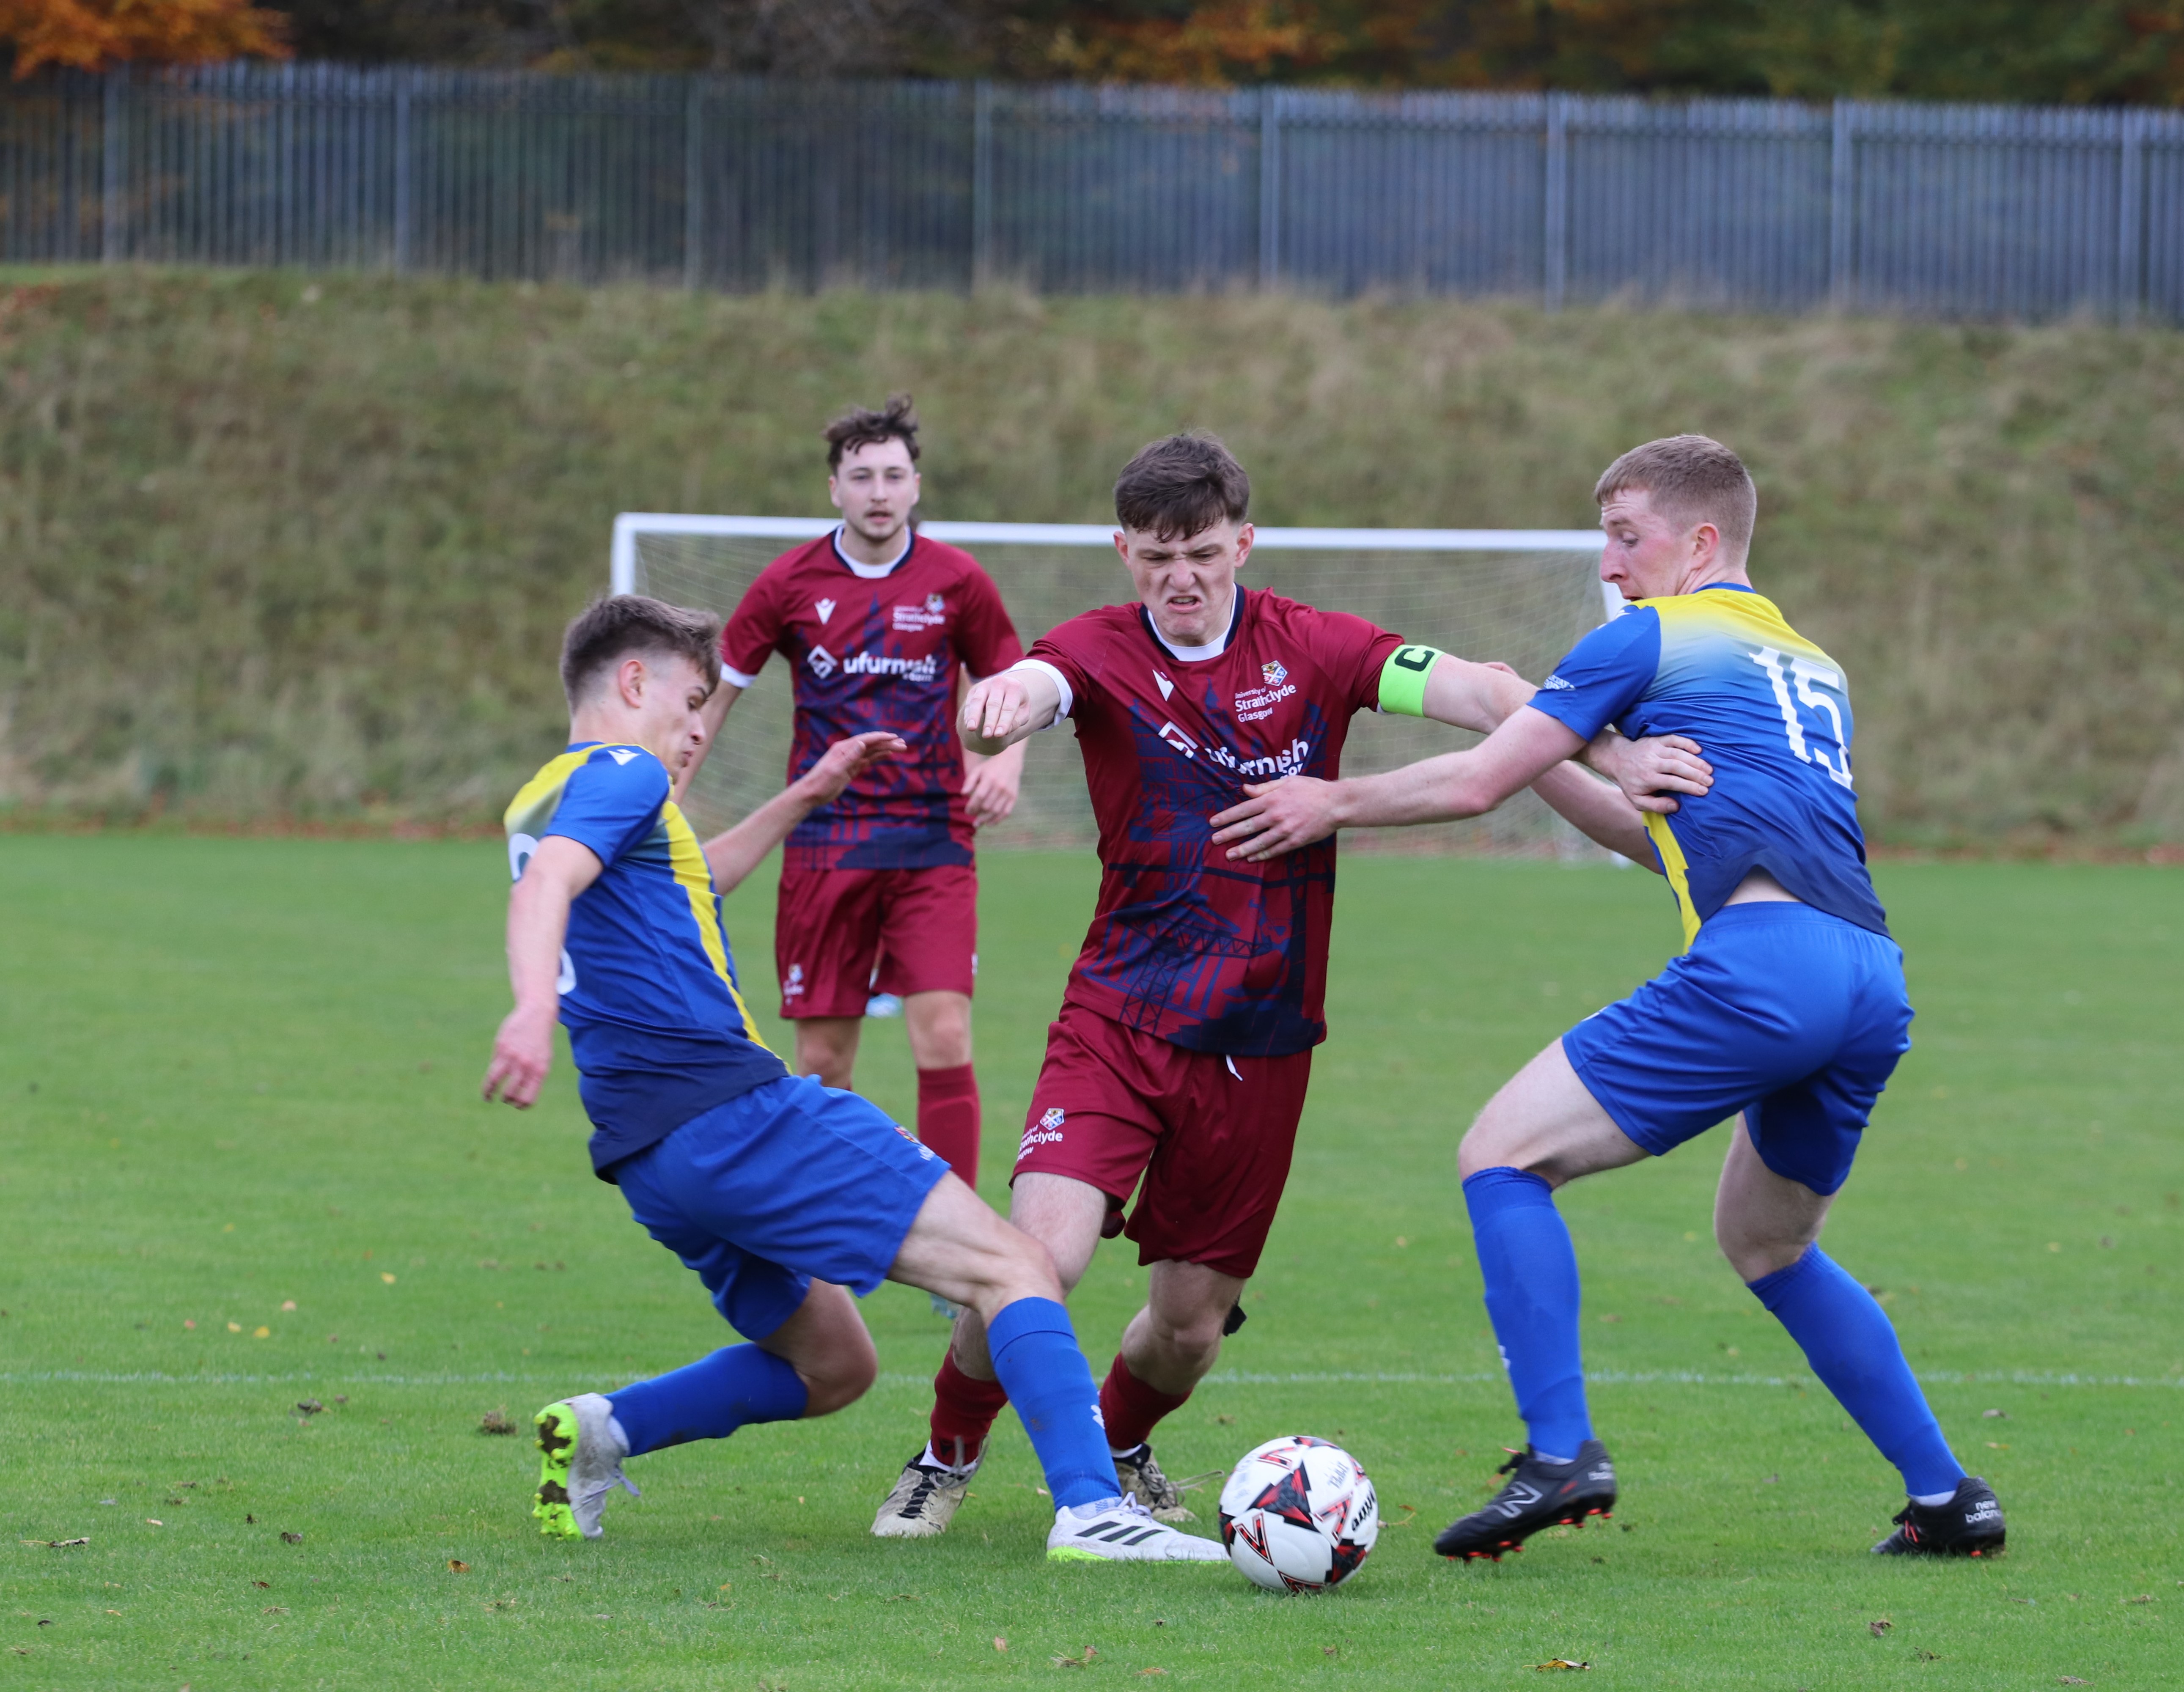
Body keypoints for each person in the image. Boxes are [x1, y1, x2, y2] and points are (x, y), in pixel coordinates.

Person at [865, 432, 1700, 1539]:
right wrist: (998, 706)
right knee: (1033, 1262)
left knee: (1187, 1328)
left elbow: (1484, 691)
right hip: (1118, 1015)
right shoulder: (1095, 651)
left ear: (1242, 542)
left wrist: (1608, 754)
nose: (1180, 576)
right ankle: (945, 1454)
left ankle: (1115, 1449)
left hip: (1260, 1040)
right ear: (1123, 551)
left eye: (1202, 552)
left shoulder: (1314, 646)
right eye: (1157, 556)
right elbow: (1031, 682)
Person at [1209, 434, 2007, 1562]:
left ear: (1699, 540)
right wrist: (1569, 753)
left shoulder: (1647, 635)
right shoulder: (1808, 667)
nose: (1610, 564)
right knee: (1769, 1245)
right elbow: (1653, 842)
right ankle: (1946, 1497)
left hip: (1764, 972)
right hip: (1867, 979)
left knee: (1500, 1155)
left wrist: (1330, 801)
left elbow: (1479, 779)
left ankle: (1559, 1453)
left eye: (1626, 537)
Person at [482, 593, 1223, 1564]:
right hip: (731, 1113)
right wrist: (532, 1005)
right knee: (1013, 1264)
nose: (702, 723)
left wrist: (805, 794)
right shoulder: (623, 768)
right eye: (694, 697)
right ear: (632, 683)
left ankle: (601, 1431)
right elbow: (553, 888)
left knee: (832, 1363)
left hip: (650, 1157)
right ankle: (1092, 1509)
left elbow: (683, 875)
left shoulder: (540, 796)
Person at [683, 394, 1025, 1195]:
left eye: (894, 475)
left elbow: (1011, 683)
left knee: (944, 1035)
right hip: (826, 842)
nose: (879, 491)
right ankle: (832, 1225)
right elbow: (714, 700)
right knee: (824, 1060)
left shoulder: (957, 581)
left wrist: (1004, 764)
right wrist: (662, 792)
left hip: (933, 839)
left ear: (916, 486)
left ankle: (959, 1241)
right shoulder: (789, 584)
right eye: (861, 475)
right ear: (834, 487)